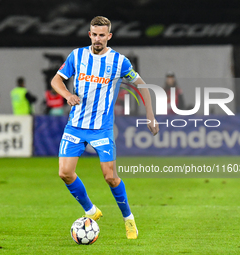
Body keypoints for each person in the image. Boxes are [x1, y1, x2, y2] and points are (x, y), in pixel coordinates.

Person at [51, 16, 159, 240]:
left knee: (110, 176)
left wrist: (151, 116)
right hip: (75, 125)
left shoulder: (120, 62)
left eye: (102, 35)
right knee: (65, 173)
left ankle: (128, 219)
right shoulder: (77, 55)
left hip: (101, 128)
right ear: (89, 34)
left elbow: (143, 86)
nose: (98, 39)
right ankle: (91, 210)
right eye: (94, 34)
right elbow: (56, 81)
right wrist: (68, 95)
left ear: (109, 36)